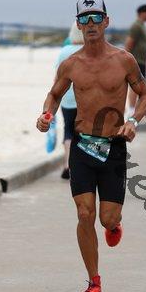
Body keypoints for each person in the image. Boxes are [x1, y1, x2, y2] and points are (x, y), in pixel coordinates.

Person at [36, 0, 146, 292]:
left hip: (113, 148)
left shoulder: (124, 60)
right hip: (83, 147)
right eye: (84, 19)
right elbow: (53, 95)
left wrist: (133, 121)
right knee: (84, 213)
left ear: (106, 21)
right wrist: (46, 114)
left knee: (107, 219)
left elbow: (144, 94)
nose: (90, 24)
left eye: (96, 17)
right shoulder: (71, 64)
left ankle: (114, 226)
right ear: (78, 24)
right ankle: (93, 282)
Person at [55, 23, 84, 179]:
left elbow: (57, 77)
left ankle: (67, 164)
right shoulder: (88, 51)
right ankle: (81, 165)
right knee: (83, 131)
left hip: (66, 98)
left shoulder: (64, 51)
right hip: (84, 98)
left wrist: (54, 97)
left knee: (68, 129)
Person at [125, 4, 146, 115]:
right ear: (142, 13)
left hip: (142, 61)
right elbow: (129, 42)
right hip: (136, 61)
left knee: (141, 86)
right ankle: (131, 109)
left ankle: (140, 109)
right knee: (135, 86)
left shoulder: (142, 26)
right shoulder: (136, 26)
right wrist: (126, 59)